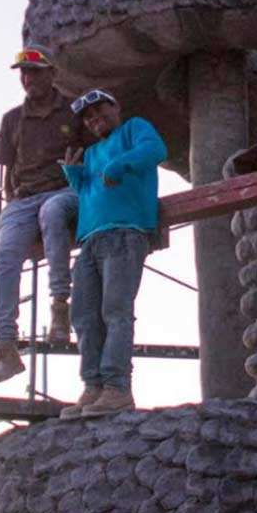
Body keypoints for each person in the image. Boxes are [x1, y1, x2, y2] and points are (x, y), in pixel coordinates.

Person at [58, 88, 166, 418]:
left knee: (116, 311)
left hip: (126, 231)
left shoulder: (135, 128)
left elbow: (155, 150)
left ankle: (117, 388)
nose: (94, 120)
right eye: (88, 119)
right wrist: (75, 176)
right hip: (90, 238)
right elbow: (91, 193)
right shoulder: (90, 154)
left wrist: (121, 163)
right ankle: (94, 386)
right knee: (84, 317)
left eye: (99, 111)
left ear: (115, 107)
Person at [0, 46, 84, 385]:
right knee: (5, 252)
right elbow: (8, 170)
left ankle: (60, 307)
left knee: (54, 213)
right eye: (23, 74)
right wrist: (11, 200)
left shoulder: (73, 112)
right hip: (24, 198)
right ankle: (5, 346)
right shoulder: (12, 119)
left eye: (35, 72)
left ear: (51, 74)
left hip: (62, 191)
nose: (28, 79)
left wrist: (80, 175)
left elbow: (91, 152)